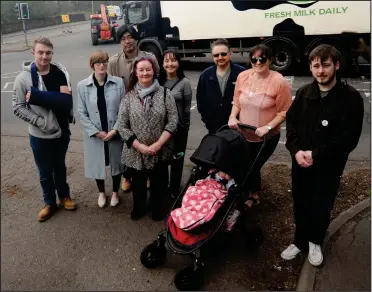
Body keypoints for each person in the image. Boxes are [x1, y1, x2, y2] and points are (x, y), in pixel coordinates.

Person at [281, 44, 364, 266]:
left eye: (325, 65)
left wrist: (316, 154)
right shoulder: (304, 93)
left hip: (329, 165)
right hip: (300, 163)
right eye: (315, 66)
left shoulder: (350, 98)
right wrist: (296, 151)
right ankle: (299, 241)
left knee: (322, 203)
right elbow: (291, 125)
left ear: (336, 65)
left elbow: (349, 139)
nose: (320, 71)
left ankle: (315, 240)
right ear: (310, 67)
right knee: (301, 201)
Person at [12, 37, 77, 222]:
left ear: (52, 53)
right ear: (33, 52)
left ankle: (64, 196)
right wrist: (40, 122)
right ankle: (49, 202)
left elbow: (66, 101)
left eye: (48, 53)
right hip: (39, 134)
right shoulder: (23, 78)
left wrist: (42, 97)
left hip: (62, 130)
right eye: (40, 52)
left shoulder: (59, 72)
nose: (44, 56)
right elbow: (18, 107)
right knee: (44, 171)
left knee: (60, 166)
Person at [228, 44, 292, 208]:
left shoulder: (279, 82)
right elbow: (237, 101)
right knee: (245, 163)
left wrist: (268, 127)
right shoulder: (243, 76)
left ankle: (253, 194)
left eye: (262, 59)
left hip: (266, 137)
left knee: (253, 165)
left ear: (270, 60)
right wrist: (233, 116)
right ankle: (246, 190)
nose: (257, 62)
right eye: (254, 59)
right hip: (243, 134)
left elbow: (285, 111)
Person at [115, 57, 178, 221]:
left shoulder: (165, 93)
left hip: (160, 149)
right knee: (138, 185)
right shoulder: (128, 97)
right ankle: (139, 207)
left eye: (148, 69)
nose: (145, 73)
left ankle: (157, 208)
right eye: (141, 70)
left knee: (159, 183)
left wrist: (158, 144)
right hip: (136, 151)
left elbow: (172, 121)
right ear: (135, 73)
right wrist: (139, 146)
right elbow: (121, 125)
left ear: (154, 71)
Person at [108, 24, 160, 192]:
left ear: (136, 38)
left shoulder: (149, 57)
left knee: (146, 141)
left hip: (147, 108)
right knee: (128, 144)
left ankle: (148, 176)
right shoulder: (114, 61)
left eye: (130, 37)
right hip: (125, 109)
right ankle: (127, 177)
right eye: (123, 39)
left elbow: (157, 79)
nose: (127, 41)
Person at [77, 50, 125, 208]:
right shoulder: (82, 86)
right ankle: (102, 193)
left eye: (104, 61)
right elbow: (81, 113)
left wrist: (115, 130)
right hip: (95, 135)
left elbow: (124, 110)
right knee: (98, 164)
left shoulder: (118, 83)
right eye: (98, 62)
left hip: (114, 133)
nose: (102, 65)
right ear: (92, 65)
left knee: (116, 164)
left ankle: (116, 193)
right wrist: (96, 132)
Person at [159, 50, 192, 198]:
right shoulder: (158, 82)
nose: (170, 64)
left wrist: (185, 127)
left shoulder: (184, 83)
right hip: (160, 129)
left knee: (177, 159)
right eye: (166, 61)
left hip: (178, 129)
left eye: (173, 60)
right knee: (163, 159)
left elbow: (186, 108)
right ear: (162, 63)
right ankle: (163, 185)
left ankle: (174, 189)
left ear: (178, 63)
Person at [196, 38, 245, 134]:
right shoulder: (205, 75)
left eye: (223, 54)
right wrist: (207, 120)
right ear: (212, 56)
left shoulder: (241, 73)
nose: (220, 57)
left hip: (237, 126)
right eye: (216, 55)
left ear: (230, 53)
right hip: (214, 128)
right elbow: (200, 100)